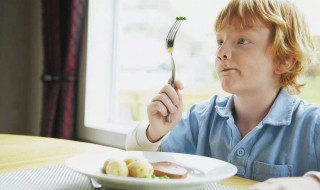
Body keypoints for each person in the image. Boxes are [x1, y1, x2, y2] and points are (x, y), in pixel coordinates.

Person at [126, 0, 320, 189]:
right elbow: (141, 166)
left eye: (242, 41)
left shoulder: (312, 125)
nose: (222, 52)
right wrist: (154, 132)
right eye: (220, 41)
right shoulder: (200, 119)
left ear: (285, 60)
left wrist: (309, 182)